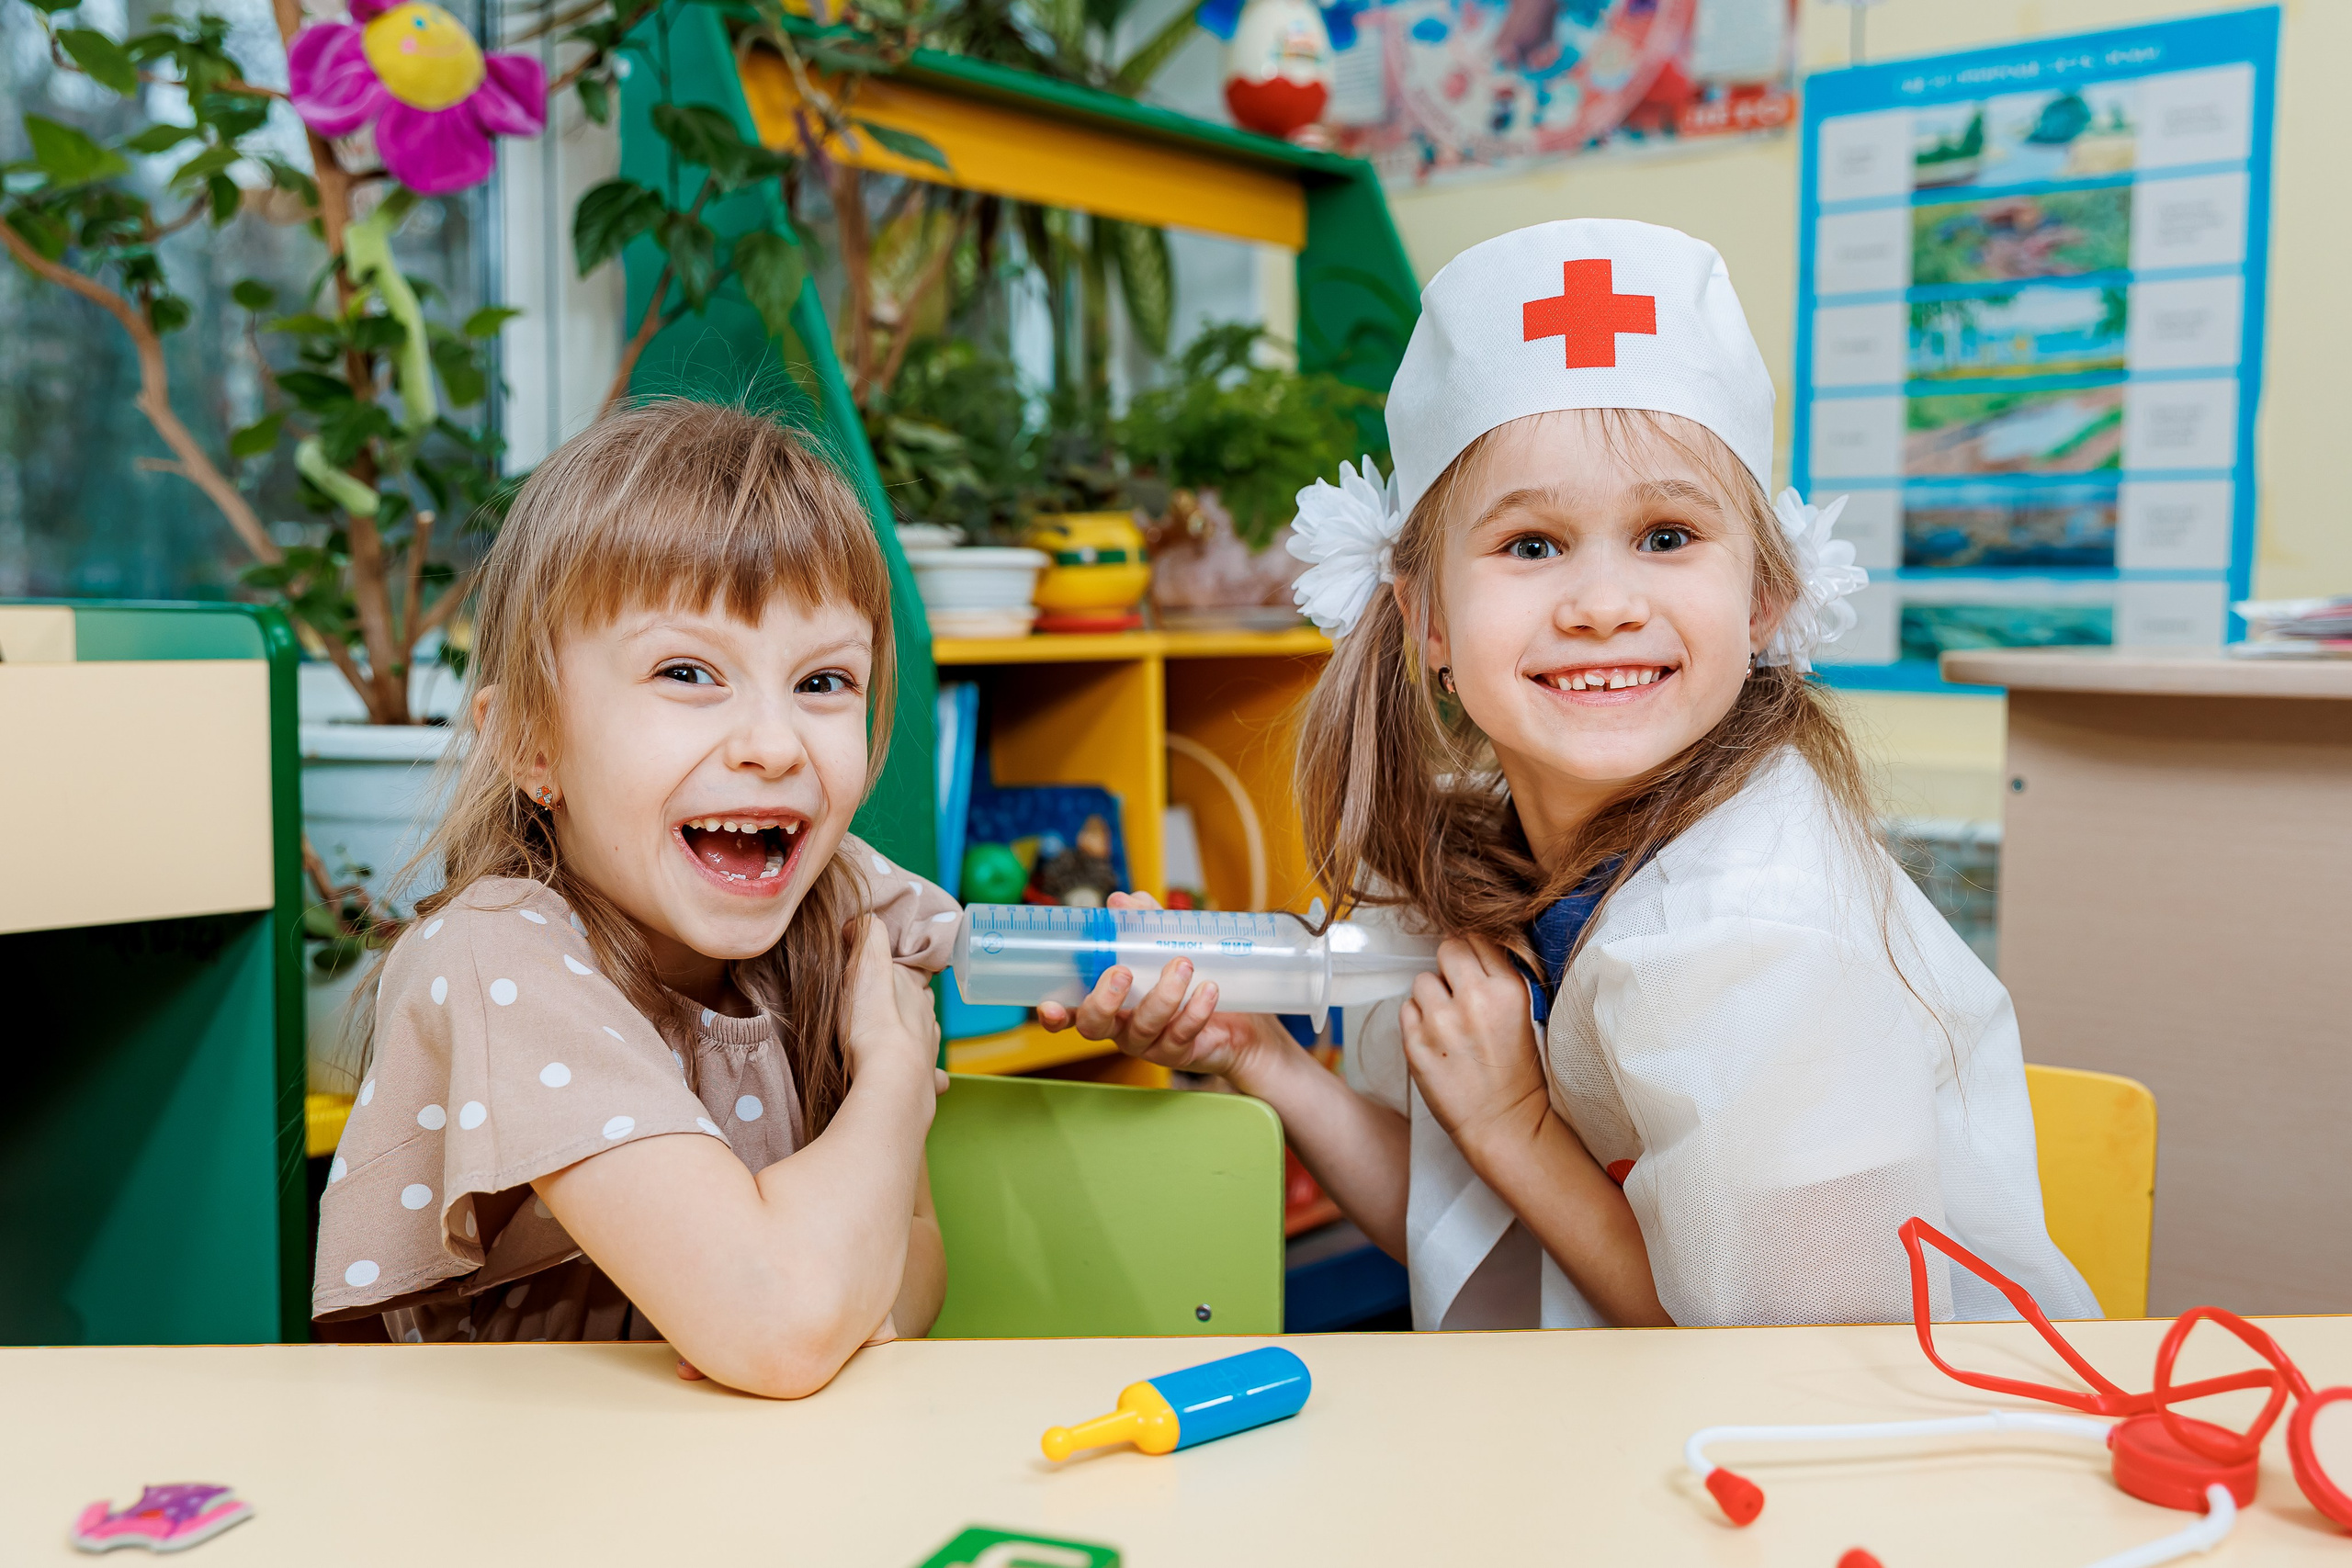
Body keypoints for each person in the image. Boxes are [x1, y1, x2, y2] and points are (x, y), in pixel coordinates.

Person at [1043, 220, 2098, 1331]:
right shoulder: (1497, 859)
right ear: (1426, 616)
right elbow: (1479, 1233)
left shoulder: (1765, 942)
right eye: (1533, 545)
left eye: (1666, 535)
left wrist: (1513, 1125)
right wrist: (1264, 1061)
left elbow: (1790, 1372)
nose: (1602, 604)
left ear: (1763, 602)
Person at [312, 400, 960, 1396]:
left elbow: (916, 1269)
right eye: (688, 671)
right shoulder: (499, 954)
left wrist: (820, 1289)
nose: (776, 744)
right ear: (532, 743)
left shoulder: (838, 924)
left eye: (824, 681)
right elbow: (789, 1330)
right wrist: (895, 1083)